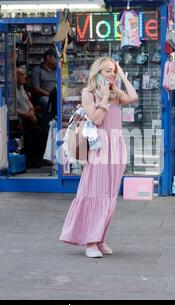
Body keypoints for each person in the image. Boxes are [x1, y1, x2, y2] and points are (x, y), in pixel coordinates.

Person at [60, 57, 138, 258]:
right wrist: (103, 98)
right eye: (108, 71)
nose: (111, 74)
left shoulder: (115, 93)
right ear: (97, 73)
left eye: (113, 71)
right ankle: (90, 242)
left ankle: (100, 238)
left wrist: (121, 75)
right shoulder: (88, 93)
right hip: (99, 149)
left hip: (116, 148)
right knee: (94, 193)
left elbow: (133, 97)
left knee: (110, 197)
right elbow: (96, 119)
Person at [16, 67, 44, 168]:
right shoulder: (12, 90)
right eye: (21, 74)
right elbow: (13, 109)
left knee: (42, 130)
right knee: (37, 133)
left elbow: (28, 102)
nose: (24, 77)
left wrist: (31, 112)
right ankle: (33, 161)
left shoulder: (22, 87)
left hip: (29, 117)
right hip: (21, 120)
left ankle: (37, 160)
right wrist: (28, 115)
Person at [31, 48, 57, 114]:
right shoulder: (37, 70)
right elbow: (36, 88)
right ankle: (47, 121)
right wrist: (49, 95)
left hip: (55, 95)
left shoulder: (56, 70)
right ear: (48, 57)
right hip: (43, 96)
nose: (56, 60)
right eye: (55, 57)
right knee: (47, 101)